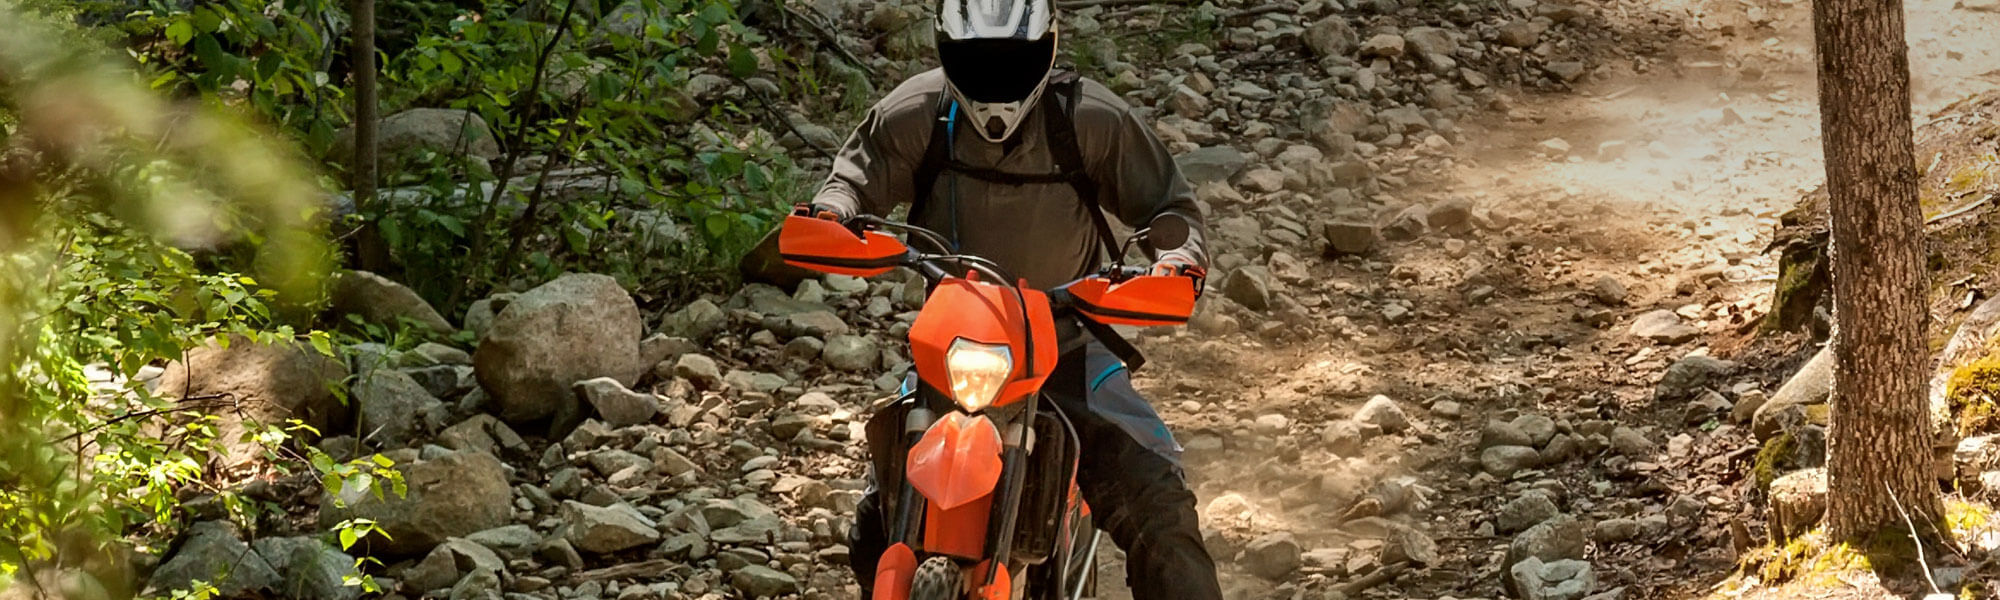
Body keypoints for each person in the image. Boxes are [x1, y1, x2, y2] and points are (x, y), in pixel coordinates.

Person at [800, 0, 1223, 597]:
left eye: (1011, 60)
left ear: (1047, 50)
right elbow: (851, 182)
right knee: (874, 521)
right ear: (946, 51)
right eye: (978, 61)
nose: (995, 78)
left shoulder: (1092, 120)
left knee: (1160, 509)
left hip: (1068, 341)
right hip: (953, 345)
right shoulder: (916, 113)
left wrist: (1175, 261)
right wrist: (832, 214)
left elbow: (1171, 209)